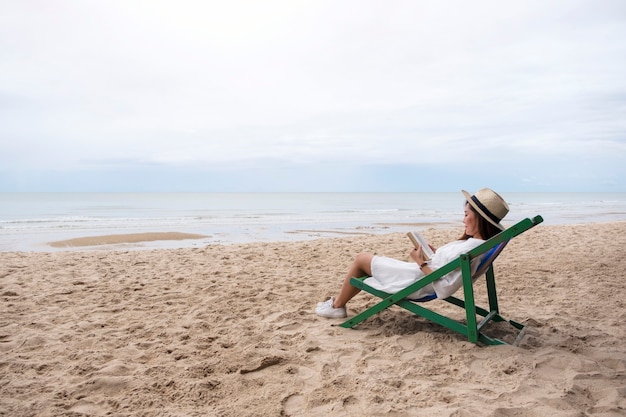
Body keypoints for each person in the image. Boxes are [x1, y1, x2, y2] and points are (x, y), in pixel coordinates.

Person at [315, 188, 510, 319]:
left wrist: (421, 262)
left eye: (466, 215)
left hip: (416, 282)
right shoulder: (475, 244)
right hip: (418, 275)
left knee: (361, 259)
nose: (463, 220)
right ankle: (337, 304)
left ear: (480, 219)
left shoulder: (469, 248)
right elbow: (448, 267)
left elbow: (445, 288)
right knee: (365, 261)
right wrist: (433, 254)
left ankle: (337, 306)